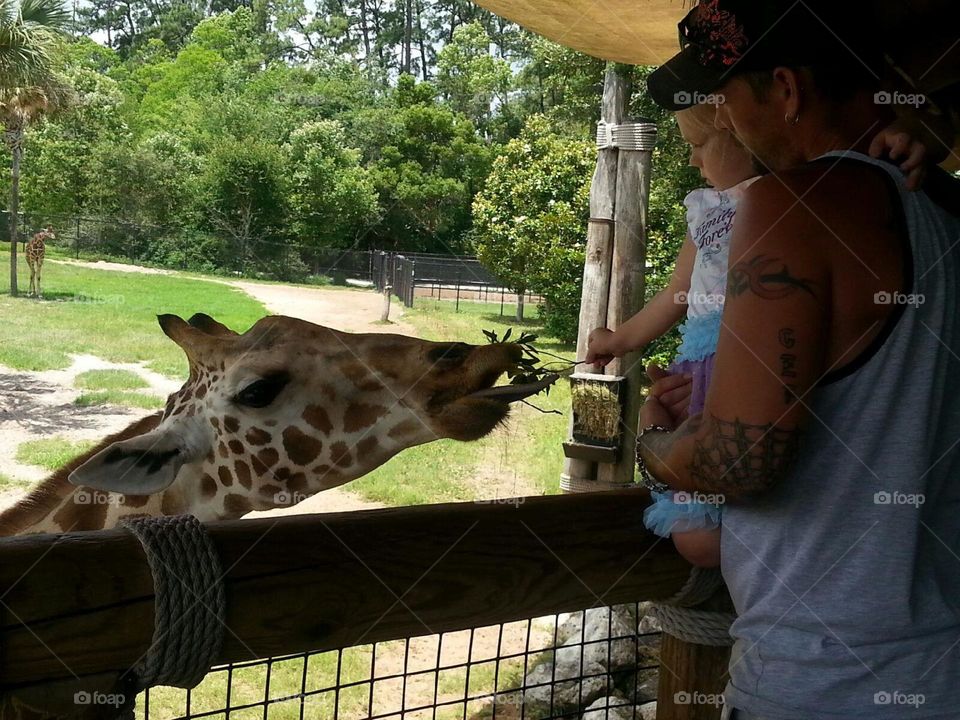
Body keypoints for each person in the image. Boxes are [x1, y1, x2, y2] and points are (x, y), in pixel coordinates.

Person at [636, 1, 960, 719]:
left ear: (784, 90)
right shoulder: (942, 211)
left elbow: (737, 464)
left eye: (726, 99)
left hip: (825, 680)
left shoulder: (789, 208)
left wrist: (654, 440)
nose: (726, 123)